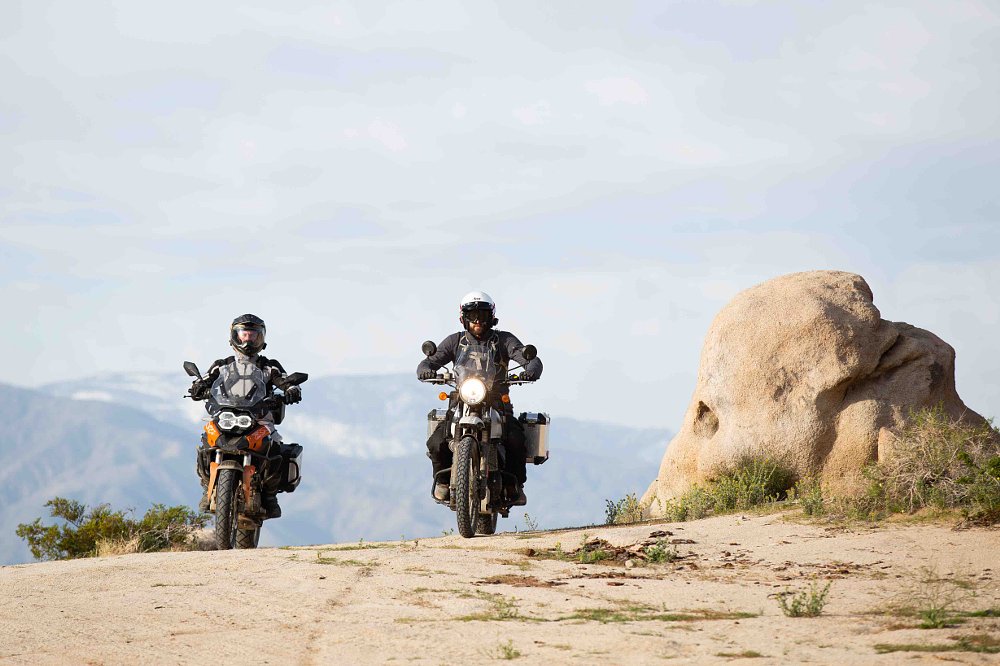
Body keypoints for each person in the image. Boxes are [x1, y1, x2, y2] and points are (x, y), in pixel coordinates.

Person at [417, 291, 542, 505]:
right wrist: (426, 369)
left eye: (482, 315)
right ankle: (443, 482)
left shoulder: (504, 340)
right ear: (463, 318)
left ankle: (514, 485)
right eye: (472, 315)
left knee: (515, 439)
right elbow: (428, 362)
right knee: (436, 441)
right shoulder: (455, 341)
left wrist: (530, 369)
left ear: (491, 317)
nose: (477, 320)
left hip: (497, 403)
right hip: (461, 403)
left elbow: (529, 358)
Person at [188, 313, 303, 518]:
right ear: (234, 337)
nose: (248, 340)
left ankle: (269, 496)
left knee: (275, 449)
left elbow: (284, 380)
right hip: (226, 414)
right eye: (244, 335)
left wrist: (291, 389)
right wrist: (197, 386)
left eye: (253, 335)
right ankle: (207, 486)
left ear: (261, 338)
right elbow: (205, 378)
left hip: (259, 418)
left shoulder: (269, 366)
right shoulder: (222, 365)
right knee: (206, 440)